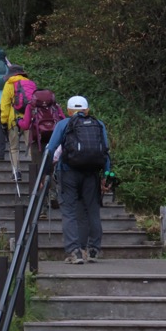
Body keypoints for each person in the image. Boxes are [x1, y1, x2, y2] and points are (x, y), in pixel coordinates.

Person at [45, 96, 111, 264]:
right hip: (91, 174)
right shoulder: (98, 124)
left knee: (69, 212)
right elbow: (105, 152)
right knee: (92, 210)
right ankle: (94, 249)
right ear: (86, 110)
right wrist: (107, 175)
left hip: (68, 173)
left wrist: (45, 172)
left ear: (68, 111)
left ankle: (74, 252)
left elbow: (51, 148)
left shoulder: (63, 124)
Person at [0, 65, 36, 182]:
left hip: (13, 119)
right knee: (30, 145)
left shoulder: (9, 84)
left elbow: (5, 105)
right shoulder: (30, 83)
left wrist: (3, 122)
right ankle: (36, 171)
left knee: (14, 147)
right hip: (28, 118)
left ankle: (16, 172)